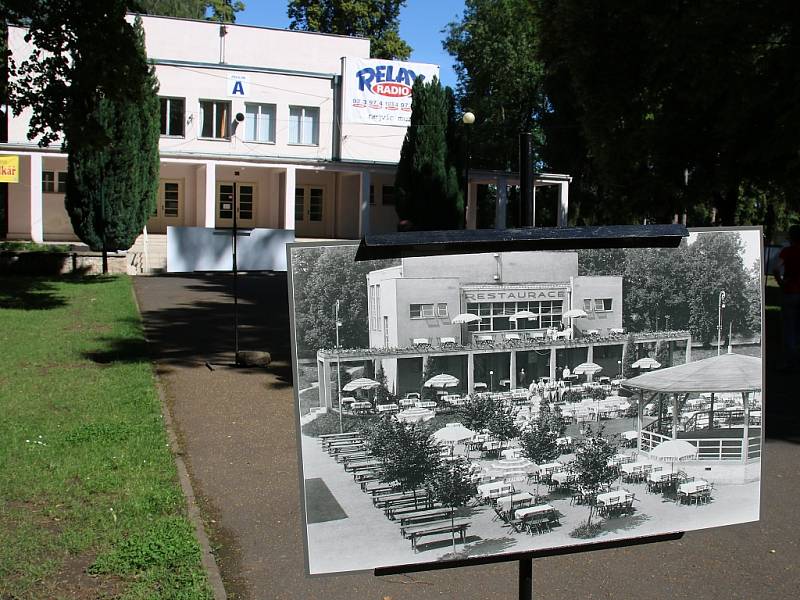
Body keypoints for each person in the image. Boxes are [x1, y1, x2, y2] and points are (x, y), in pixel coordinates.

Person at [773, 225, 800, 369]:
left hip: (790, 292)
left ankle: (790, 361)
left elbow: (776, 268)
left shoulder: (787, 252)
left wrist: (781, 283)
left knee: (788, 329)